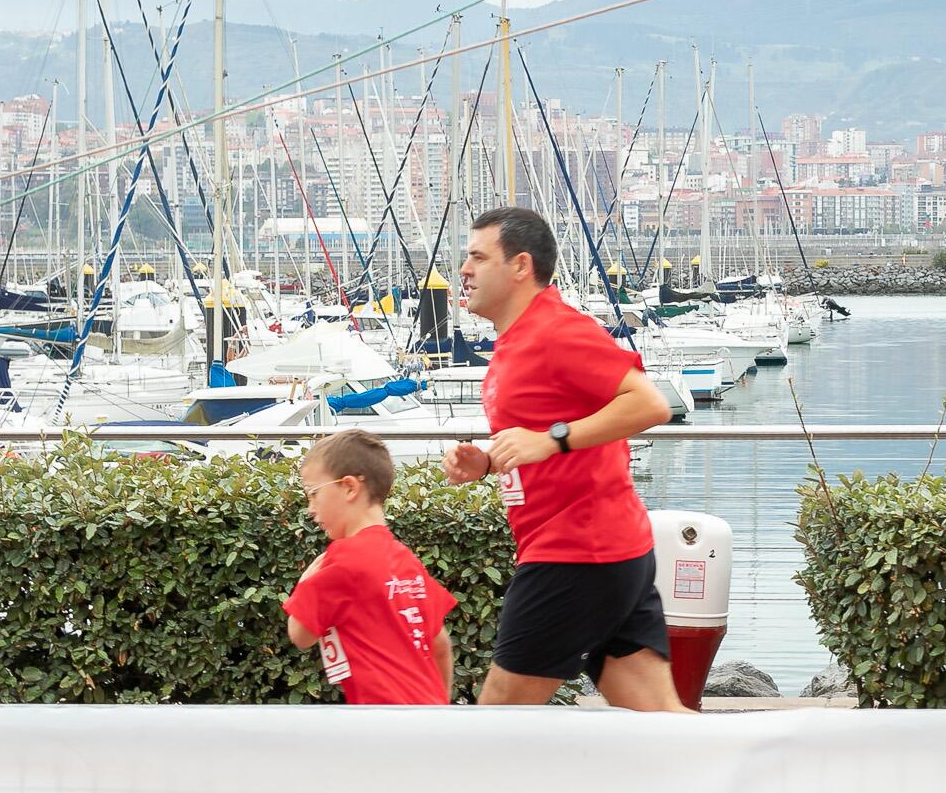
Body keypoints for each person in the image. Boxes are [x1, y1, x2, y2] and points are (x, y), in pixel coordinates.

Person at [441, 207, 687, 711]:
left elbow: (649, 404)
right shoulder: (517, 340)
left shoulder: (556, 329)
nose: (463, 270)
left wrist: (552, 439)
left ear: (520, 266)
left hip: (575, 552)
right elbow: (543, 432)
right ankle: (758, 778)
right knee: (663, 723)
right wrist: (489, 462)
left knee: (499, 719)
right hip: (612, 550)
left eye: (477, 257)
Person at [285, 429, 457, 704]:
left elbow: (300, 634)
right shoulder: (404, 559)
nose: (310, 509)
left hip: (384, 724)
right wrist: (440, 707)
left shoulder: (341, 559)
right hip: (429, 715)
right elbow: (440, 645)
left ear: (350, 487)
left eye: (313, 493)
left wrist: (305, 580)